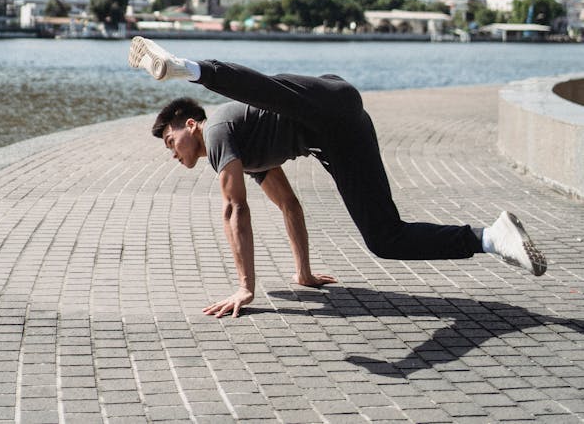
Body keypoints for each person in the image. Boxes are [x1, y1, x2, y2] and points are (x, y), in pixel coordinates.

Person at [128, 36, 547, 319]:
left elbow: (234, 208)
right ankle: (492, 237)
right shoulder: (248, 150)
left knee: (265, 91)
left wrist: (245, 288)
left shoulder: (218, 130)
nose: (172, 151)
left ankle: (185, 66)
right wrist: (303, 273)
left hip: (322, 103)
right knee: (385, 238)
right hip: (342, 131)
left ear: (191, 124)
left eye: (170, 139)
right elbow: (290, 206)